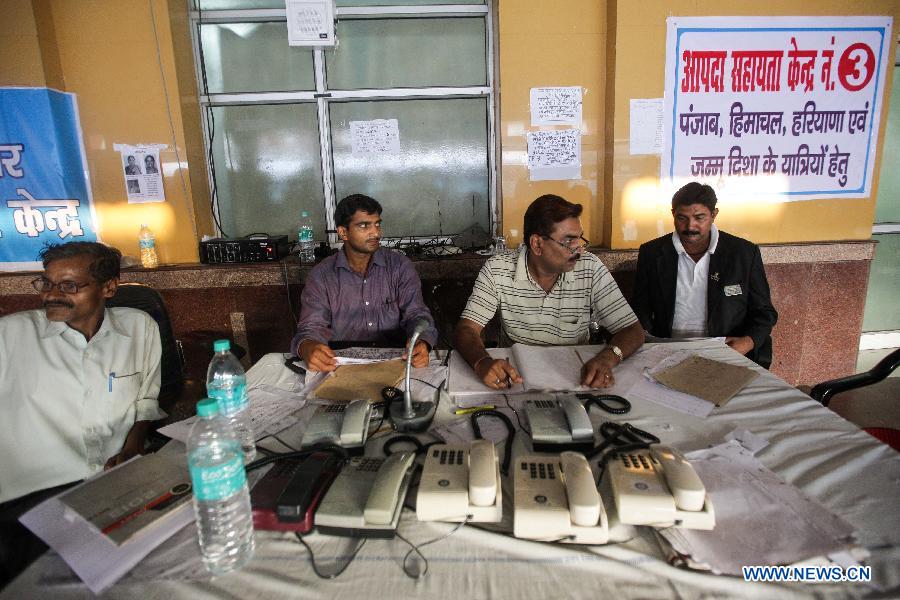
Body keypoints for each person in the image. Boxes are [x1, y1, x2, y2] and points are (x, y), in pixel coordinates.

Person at [0, 241, 164, 585]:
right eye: (47, 283)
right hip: (32, 498)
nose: (51, 295)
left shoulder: (139, 328)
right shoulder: (10, 335)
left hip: (114, 485)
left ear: (109, 287)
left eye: (69, 286)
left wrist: (134, 445)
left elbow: (145, 400)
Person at [454, 194, 645, 390]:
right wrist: (482, 362)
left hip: (577, 377)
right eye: (569, 241)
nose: (579, 249)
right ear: (537, 244)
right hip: (516, 378)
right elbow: (467, 329)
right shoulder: (498, 269)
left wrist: (608, 357)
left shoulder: (590, 267)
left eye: (580, 238)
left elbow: (633, 330)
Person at [631, 181, 778, 368]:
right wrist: (648, 339)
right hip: (667, 351)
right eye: (682, 218)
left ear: (714, 214)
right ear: (672, 214)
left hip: (725, 352)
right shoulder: (653, 253)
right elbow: (640, 306)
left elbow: (764, 312)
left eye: (699, 218)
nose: (690, 226)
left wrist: (747, 342)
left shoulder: (743, 254)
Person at [292, 194, 438, 372]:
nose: (376, 233)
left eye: (377, 224)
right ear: (343, 232)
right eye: (364, 226)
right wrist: (308, 348)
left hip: (398, 360)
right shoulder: (321, 276)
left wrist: (422, 342)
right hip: (340, 364)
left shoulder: (399, 267)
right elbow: (311, 327)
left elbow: (417, 315)